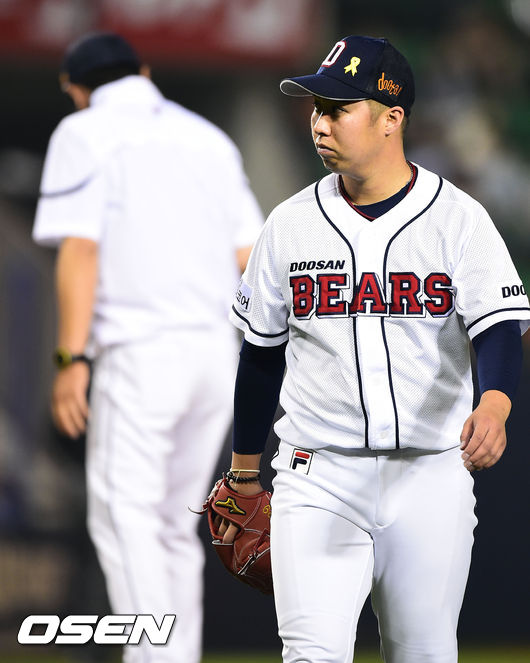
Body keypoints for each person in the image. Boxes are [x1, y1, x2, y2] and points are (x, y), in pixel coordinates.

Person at [223, 35, 530, 663]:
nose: (319, 121)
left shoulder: (457, 217)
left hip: (431, 474)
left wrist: (496, 402)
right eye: (317, 108)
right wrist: (245, 472)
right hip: (317, 473)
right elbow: (260, 355)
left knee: (424, 655)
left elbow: (499, 326)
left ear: (391, 118)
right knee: (311, 654)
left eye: (338, 108)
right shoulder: (289, 224)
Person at [32, 32, 264, 663]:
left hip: (141, 354)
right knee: (169, 527)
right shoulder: (208, 138)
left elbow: (80, 248)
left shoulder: (84, 131)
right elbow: (251, 256)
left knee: (124, 517)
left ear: (76, 89)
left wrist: (70, 358)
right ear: (143, 70)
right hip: (216, 356)